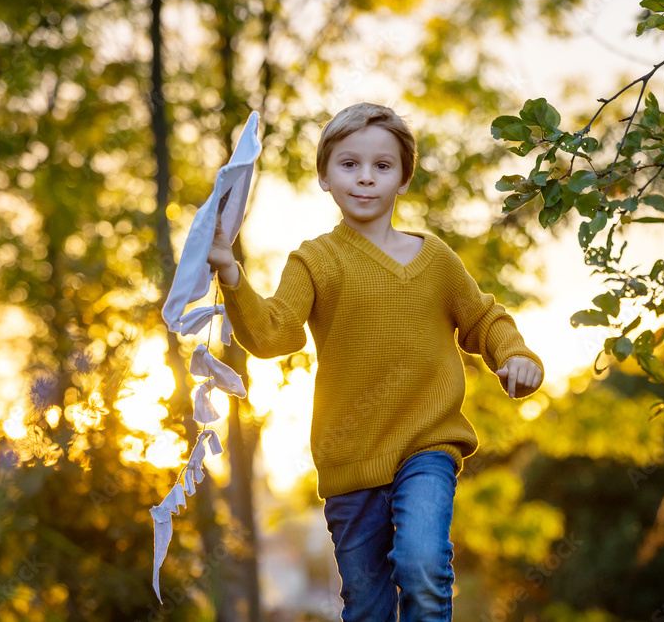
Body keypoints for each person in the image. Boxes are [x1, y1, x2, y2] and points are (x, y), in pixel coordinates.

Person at [207, 102, 543, 621]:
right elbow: (273, 333)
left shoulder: (435, 259)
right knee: (366, 608)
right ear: (324, 177)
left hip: (427, 445)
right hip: (349, 461)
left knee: (423, 566)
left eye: (382, 166)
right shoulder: (314, 261)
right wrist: (231, 275)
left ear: (403, 180)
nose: (365, 178)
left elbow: (484, 319)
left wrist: (516, 355)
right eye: (349, 164)